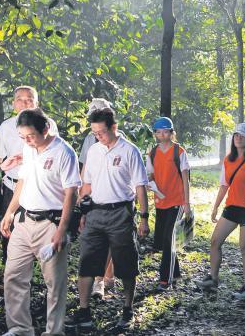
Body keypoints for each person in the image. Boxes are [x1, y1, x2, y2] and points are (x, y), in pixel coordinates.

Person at [66, 107, 149, 331]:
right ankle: (83, 311)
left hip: (120, 213)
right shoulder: (93, 151)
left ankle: (127, 308)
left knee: (126, 262)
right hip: (94, 212)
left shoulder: (130, 151)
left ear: (114, 127)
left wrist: (144, 217)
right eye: (94, 133)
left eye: (101, 132)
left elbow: (140, 186)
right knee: (87, 261)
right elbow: (87, 184)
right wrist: (82, 212)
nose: (98, 136)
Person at [0, 108, 81, 336]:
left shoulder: (64, 152)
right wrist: (9, 212)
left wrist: (62, 230)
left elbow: (71, 193)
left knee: (54, 283)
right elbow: (22, 181)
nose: (26, 141)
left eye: (31, 136)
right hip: (24, 220)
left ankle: (54, 331)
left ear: (45, 129)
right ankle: (20, 328)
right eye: (22, 137)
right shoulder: (29, 148)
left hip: (51, 223)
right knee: (13, 276)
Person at [197, 122, 245, 300]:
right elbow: (224, 185)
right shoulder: (228, 160)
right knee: (215, 241)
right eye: (235, 135)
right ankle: (213, 278)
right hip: (232, 206)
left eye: (242, 135)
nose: (238, 138)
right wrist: (216, 206)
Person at [0, 86, 59, 261]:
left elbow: (55, 156)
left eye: (29, 99)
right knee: (9, 231)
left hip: (39, 187)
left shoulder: (48, 124)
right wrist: (2, 165)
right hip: (12, 185)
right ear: (13, 103)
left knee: (43, 233)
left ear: (36, 103)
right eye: (20, 99)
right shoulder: (6, 126)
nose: (25, 103)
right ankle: (10, 274)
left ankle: (41, 272)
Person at [146, 116, 191, 291]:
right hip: (160, 200)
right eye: (158, 132)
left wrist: (187, 203)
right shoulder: (153, 152)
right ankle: (177, 272)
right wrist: (149, 183)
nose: (162, 135)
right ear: (155, 134)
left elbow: (186, 179)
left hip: (177, 201)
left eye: (165, 131)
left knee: (168, 239)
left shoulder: (179, 152)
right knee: (165, 239)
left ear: (171, 133)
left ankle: (165, 278)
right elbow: (150, 175)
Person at [77, 98, 115, 300]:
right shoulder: (89, 139)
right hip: (93, 195)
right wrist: (82, 194)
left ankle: (101, 279)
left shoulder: (120, 139)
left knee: (108, 239)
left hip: (111, 198)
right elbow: (84, 167)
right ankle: (99, 277)